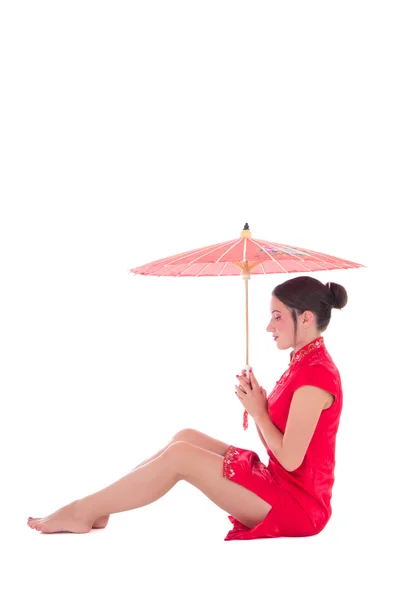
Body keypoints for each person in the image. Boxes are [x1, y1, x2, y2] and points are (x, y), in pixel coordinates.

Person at [27, 275, 347, 540]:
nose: (268, 326)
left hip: (299, 506)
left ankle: (84, 510)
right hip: (281, 485)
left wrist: (260, 411)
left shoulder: (314, 375)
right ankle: (102, 504)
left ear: (305, 318)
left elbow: (290, 460)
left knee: (181, 457)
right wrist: (260, 404)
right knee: (186, 436)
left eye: (278, 316)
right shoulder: (303, 363)